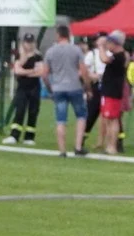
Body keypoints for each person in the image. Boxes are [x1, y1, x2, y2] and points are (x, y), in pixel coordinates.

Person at [41, 25, 89, 158]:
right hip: (74, 87)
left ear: (58, 35)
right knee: (81, 116)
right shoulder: (76, 50)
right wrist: (87, 86)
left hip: (58, 88)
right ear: (68, 35)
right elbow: (83, 71)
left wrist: (50, 88)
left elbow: (44, 74)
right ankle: (78, 147)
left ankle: (62, 150)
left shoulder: (50, 51)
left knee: (61, 119)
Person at [2, 33, 42, 145]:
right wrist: (30, 71)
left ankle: (29, 137)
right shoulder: (19, 55)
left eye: (31, 42)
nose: (29, 45)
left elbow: (40, 71)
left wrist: (26, 72)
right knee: (20, 110)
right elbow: (17, 70)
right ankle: (14, 135)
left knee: (33, 111)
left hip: (34, 87)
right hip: (22, 87)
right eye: (27, 42)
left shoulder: (38, 56)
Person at [98, 31, 129, 155]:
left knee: (112, 119)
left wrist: (101, 47)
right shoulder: (116, 55)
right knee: (108, 118)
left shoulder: (119, 56)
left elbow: (104, 59)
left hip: (113, 91)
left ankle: (112, 146)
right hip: (109, 90)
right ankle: (109, 145)